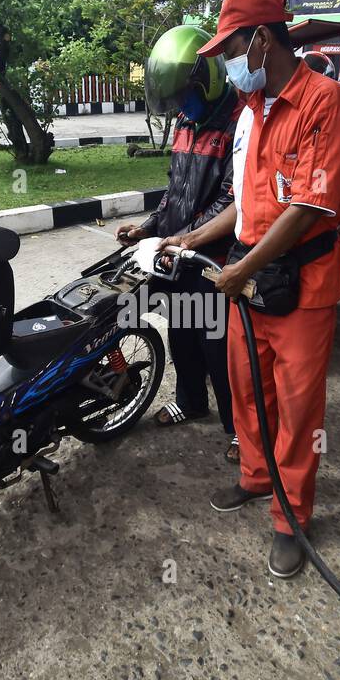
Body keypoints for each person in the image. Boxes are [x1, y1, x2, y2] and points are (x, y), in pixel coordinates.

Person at [158, 0, 340, 579]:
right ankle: (253, 475)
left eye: (230, 49)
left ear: (262, 39)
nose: (225, 63)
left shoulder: (325, 103)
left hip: (302, 282)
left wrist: (241, 267)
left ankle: (290, 516)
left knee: (297, 409)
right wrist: (196, 237)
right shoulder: (251, 110)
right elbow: (246, 203)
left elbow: (310, 207)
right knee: (247, 390)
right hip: (248, 277)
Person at [115, 24, 242, 461]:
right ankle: (191, 402)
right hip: (177, 253)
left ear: (208, 79)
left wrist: (185, 239)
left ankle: (239, 429)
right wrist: (147, 228)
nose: (178, 107)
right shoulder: (189, 124)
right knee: (183, 335)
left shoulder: (237, 125)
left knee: (217, 346)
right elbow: (175, 195)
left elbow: (233, 199)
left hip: (212, 259)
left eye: (184, 95)